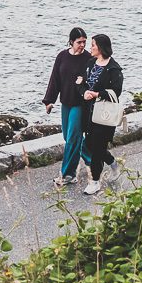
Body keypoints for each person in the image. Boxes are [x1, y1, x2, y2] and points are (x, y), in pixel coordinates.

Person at [43, 28, 93, 189]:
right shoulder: (62, 56)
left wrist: (84, 81)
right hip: (66, 102)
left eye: (85, 42)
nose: (82, 45)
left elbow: (94, 79)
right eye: (79, 42)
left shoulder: (88, 58)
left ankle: (68, 175)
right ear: (71, 41)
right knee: (69, 136)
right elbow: (55, 79)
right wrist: (49, 101)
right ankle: (94, 159)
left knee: (72, 138)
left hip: (81, 104)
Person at [79, 33, 124, 196]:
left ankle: (95, 182)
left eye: (93, 45)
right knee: (91, 144)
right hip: (88, 112)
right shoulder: (91, 63)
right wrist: (84, 92)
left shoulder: (114, 69)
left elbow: (116, 91)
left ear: (101, 47)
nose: (90, 48)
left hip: (104, 114)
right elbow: (82, 82)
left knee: (97, 149)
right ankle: (112, 163)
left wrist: (97, 94)